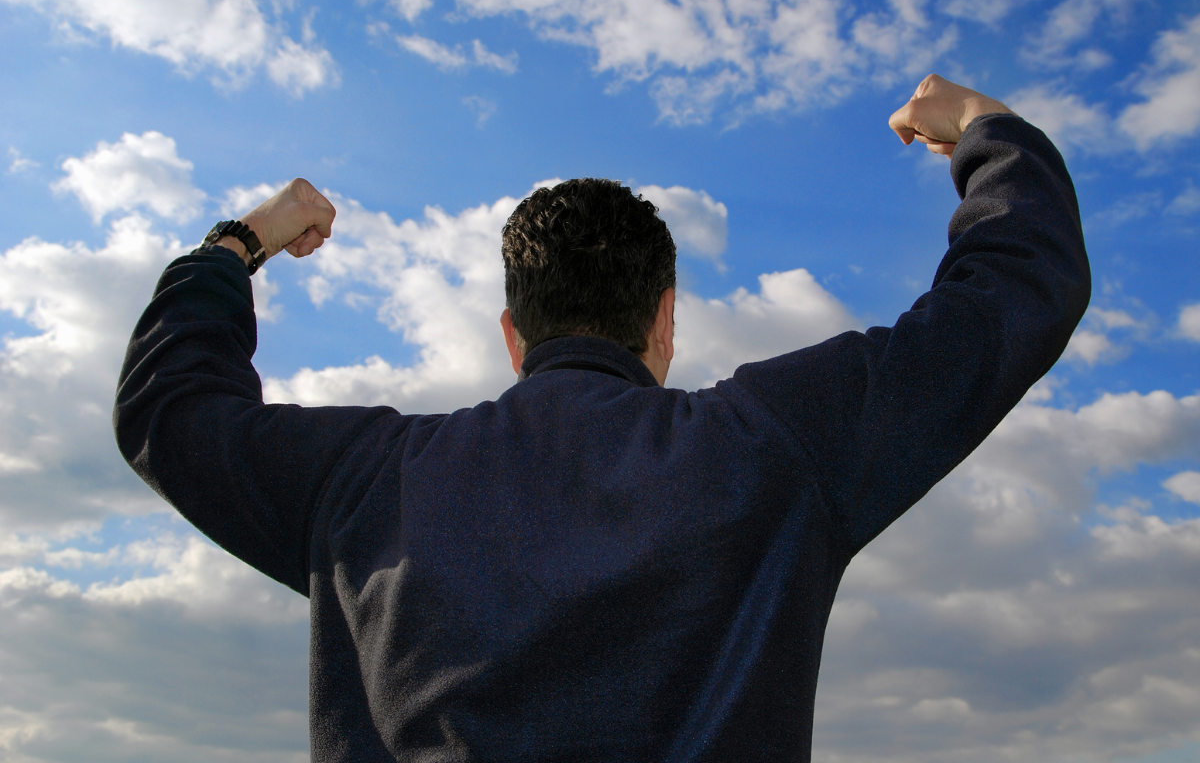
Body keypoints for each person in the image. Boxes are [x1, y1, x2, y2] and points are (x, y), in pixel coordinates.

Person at [114, 74, 1090, 763]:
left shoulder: (363, 477)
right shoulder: (769, 447)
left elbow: (170, 406)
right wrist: (986, 127)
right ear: (664, 319)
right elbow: (1010, 294)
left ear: (511, 332)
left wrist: (239, 243)